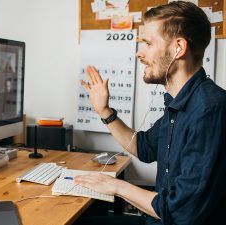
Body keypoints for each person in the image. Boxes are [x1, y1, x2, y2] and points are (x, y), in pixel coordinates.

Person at [76, 1, 226, 225]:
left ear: (178, 48)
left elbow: (181, 212)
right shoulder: (179, 102)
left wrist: (116, 186)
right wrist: (104, 111)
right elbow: (144, 148)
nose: (139, 52)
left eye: (147, 42)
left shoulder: (210, 109)